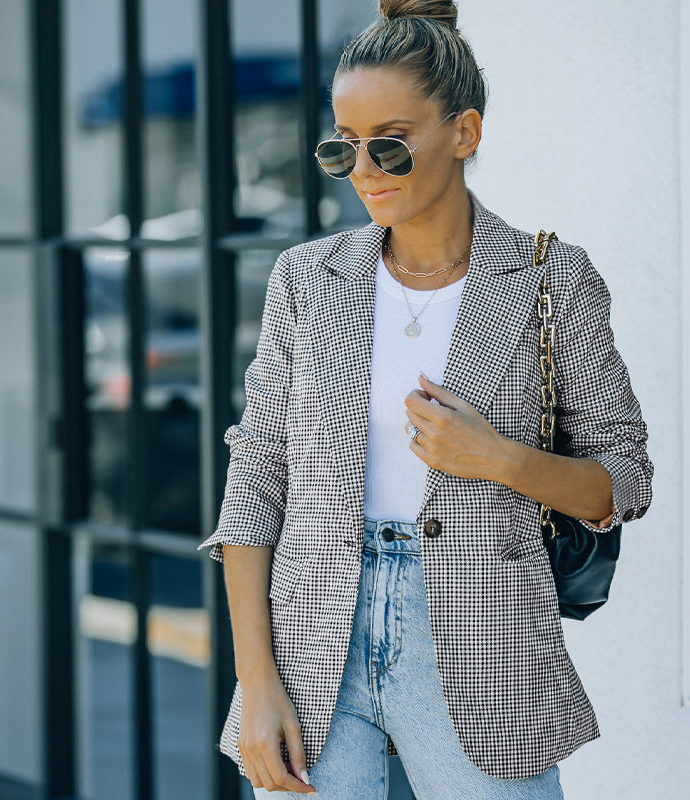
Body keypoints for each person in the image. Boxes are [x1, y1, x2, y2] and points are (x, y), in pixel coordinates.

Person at [198, 1, 653, 798]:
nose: (365, 170)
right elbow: (258, 474)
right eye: (343, 148)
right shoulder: (309, 280)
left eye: (392, 146)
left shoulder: (553, 280)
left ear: (465, 133)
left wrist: (501, 460)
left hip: (482, 645)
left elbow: (625, 479)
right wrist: (256, 678)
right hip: (311, 642)